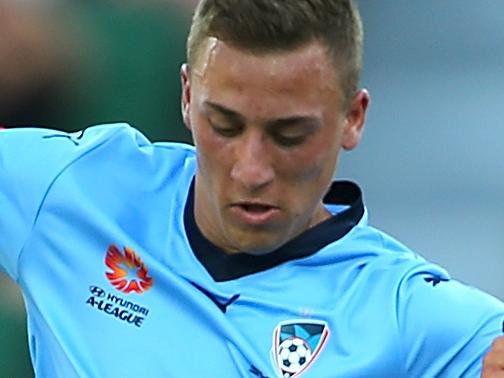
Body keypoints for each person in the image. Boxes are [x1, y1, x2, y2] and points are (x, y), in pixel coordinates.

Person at [0, 1, 503, 377]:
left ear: (353, 119)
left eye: (289, 135)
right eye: (224, 125)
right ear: (187, 96)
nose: (251, 170)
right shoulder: (74, 189)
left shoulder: (410, 317)